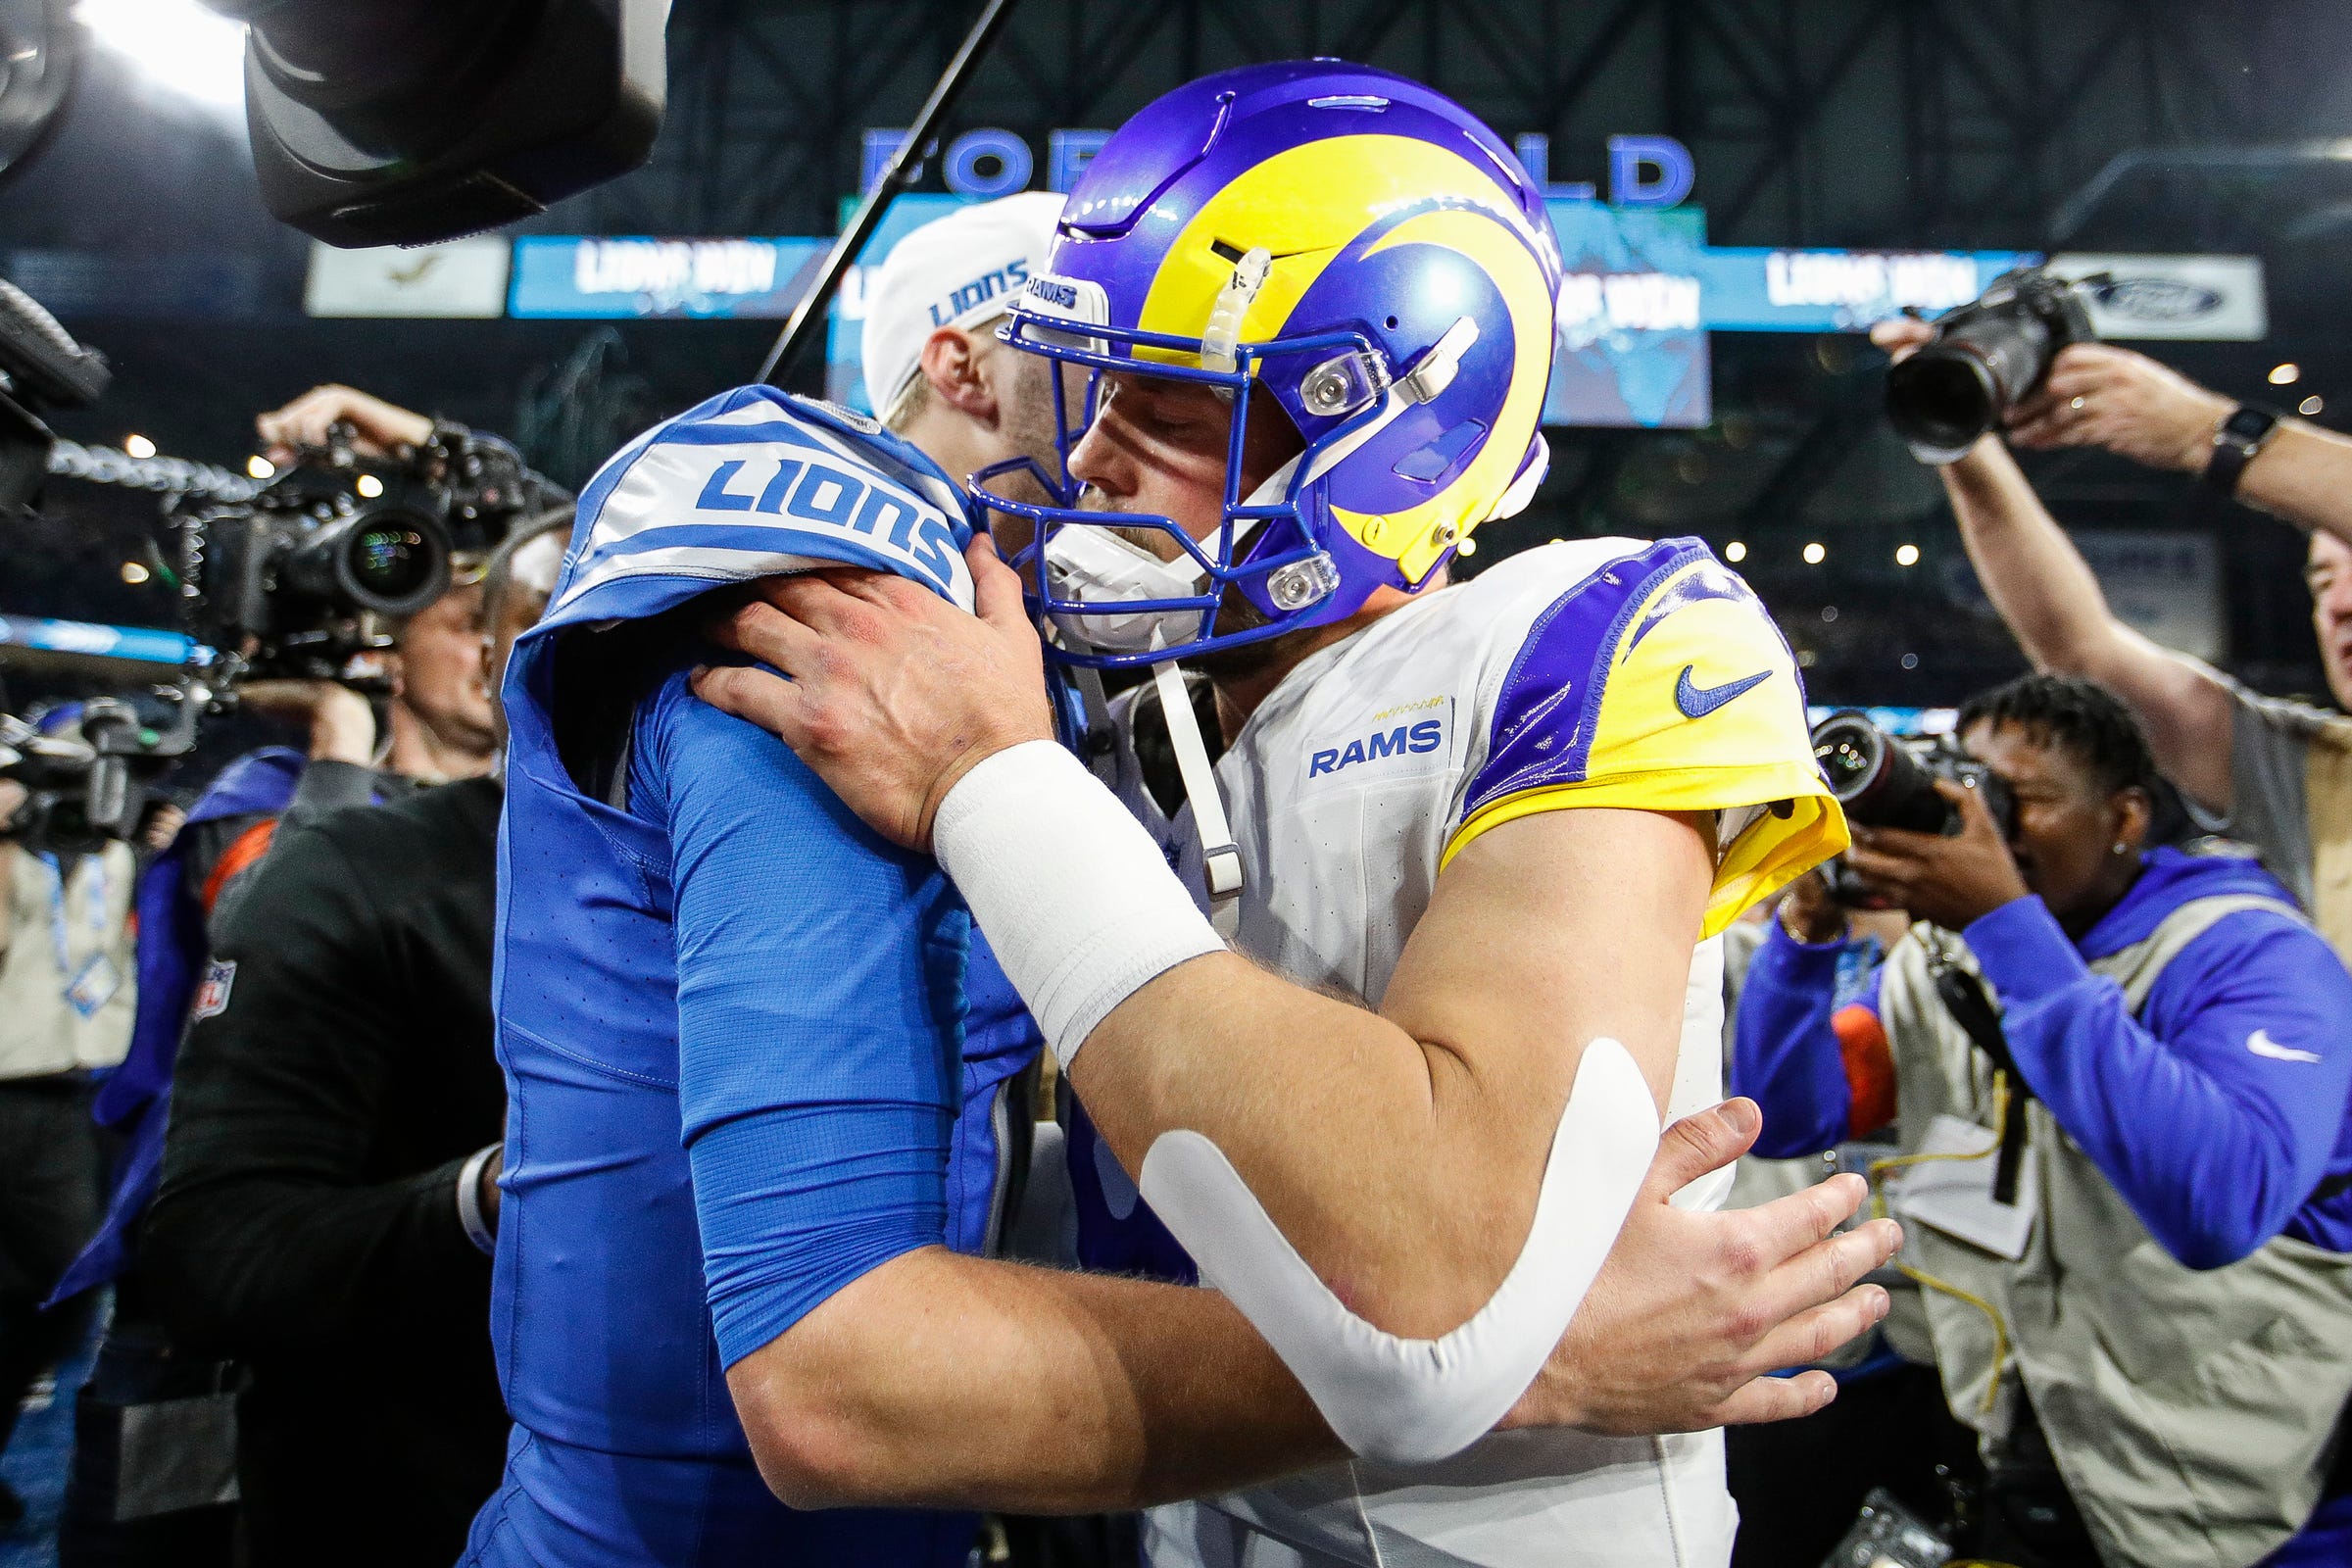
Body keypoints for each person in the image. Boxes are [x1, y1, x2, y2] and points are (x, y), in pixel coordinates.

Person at [693, 60, 1898, 1566]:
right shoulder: (1136, 727)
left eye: (1176, 403)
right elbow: (890, 1377)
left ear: (1395, 429)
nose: (1089, 458)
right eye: (1097, 387)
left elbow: (1429, 1282)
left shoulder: (1599, 632)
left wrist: (988, 786)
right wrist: (1536, 1355)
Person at [1733, 672, 2352, 1567]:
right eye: (1966, 787)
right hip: (2044, 1452)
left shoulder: (2253, 955)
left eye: (2024, 800)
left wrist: (2005, 924)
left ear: (2126, 819)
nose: (1986, 825)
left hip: (2254, 1502)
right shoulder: (1953, 958)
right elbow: (1790, 1117)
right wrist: (1807, 927)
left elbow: (2219, 1205)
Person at [130, 513, 567, 1568]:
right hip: (395, 1499)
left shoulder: (769, 889)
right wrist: (494, 1196)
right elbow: (209, 1251)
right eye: (568, 617)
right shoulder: (352, 867)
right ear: (494, 654)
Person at [1872, 318, 2352, 963]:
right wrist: (1959, 431)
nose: (2341, 604)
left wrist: (2204, 434)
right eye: (2322, 583)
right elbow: (2082, 652)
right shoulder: (2314, 778)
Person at [0, 758, 137, 1529]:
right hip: (14, 1090)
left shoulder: (118, 854)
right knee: (63, 1285)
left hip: (85, 1097)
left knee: (49, 1294)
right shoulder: (14, 855)